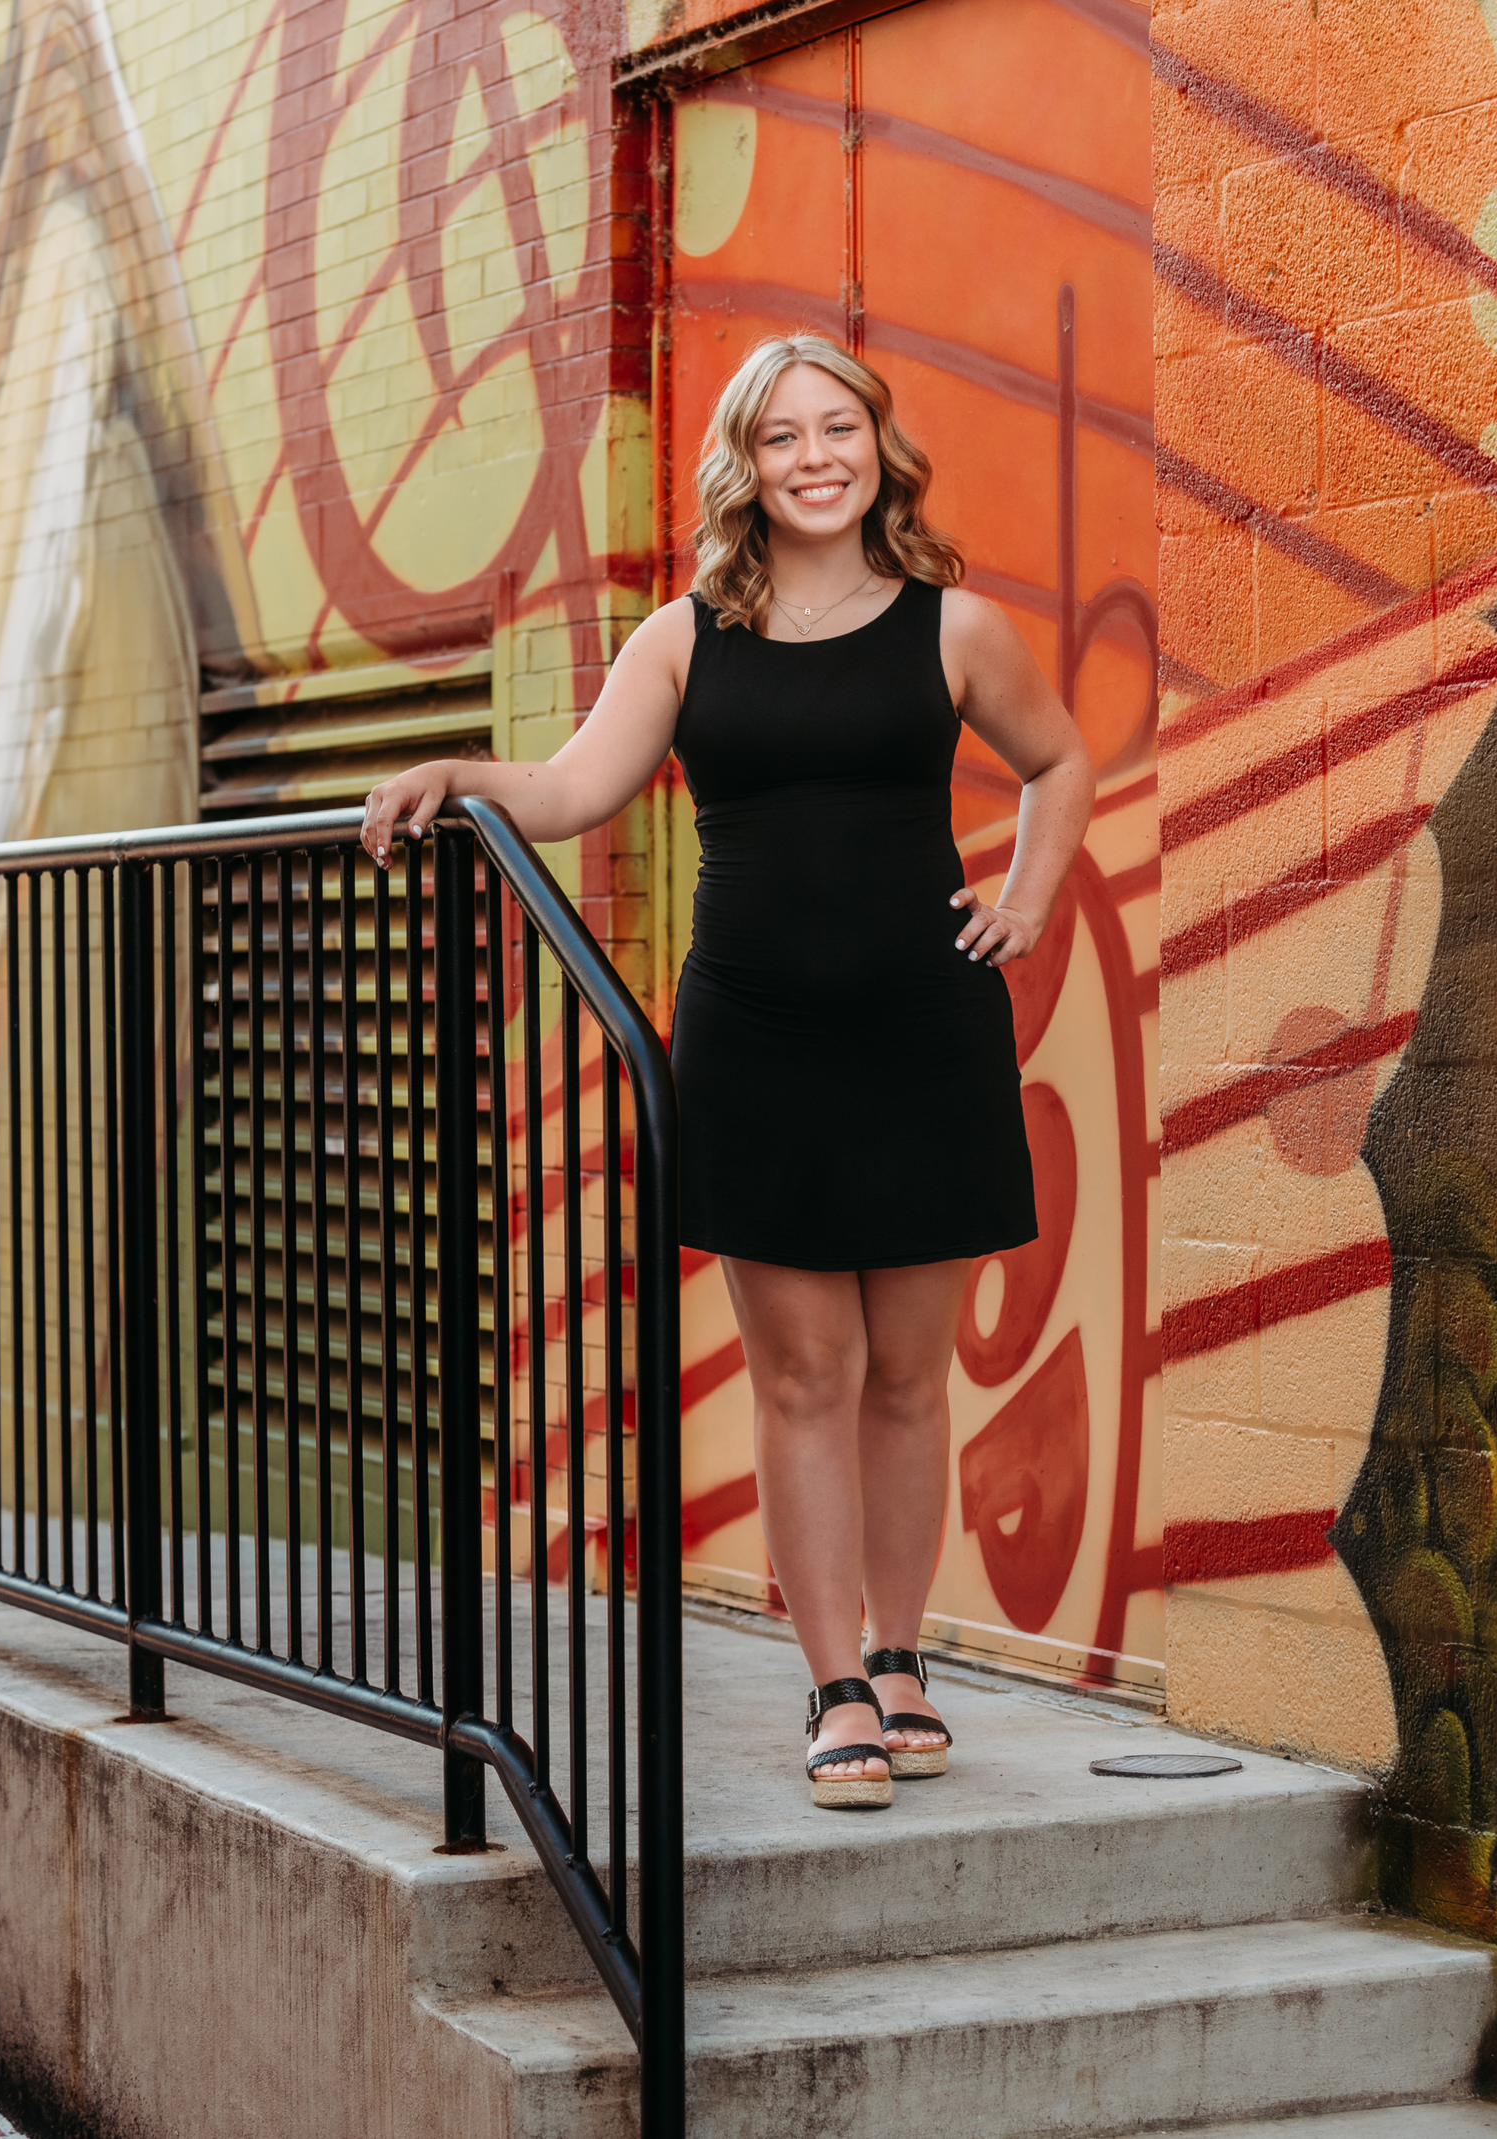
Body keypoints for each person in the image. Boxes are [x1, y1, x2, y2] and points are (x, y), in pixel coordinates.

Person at [361, 334, 1094, 1808]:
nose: (817, 457)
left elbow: (1059, 762)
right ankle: (833, 1686)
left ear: (880, 447)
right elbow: (575, 785)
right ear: (744, 467)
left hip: (924, 1036)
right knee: (804, 1371)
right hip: (755, 1042)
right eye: (783, 437)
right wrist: (460, 774)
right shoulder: (685, 636)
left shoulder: (955, 627)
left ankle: (900, 1653)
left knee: (903, 1371)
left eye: (841, 429)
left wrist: (1025, 896)